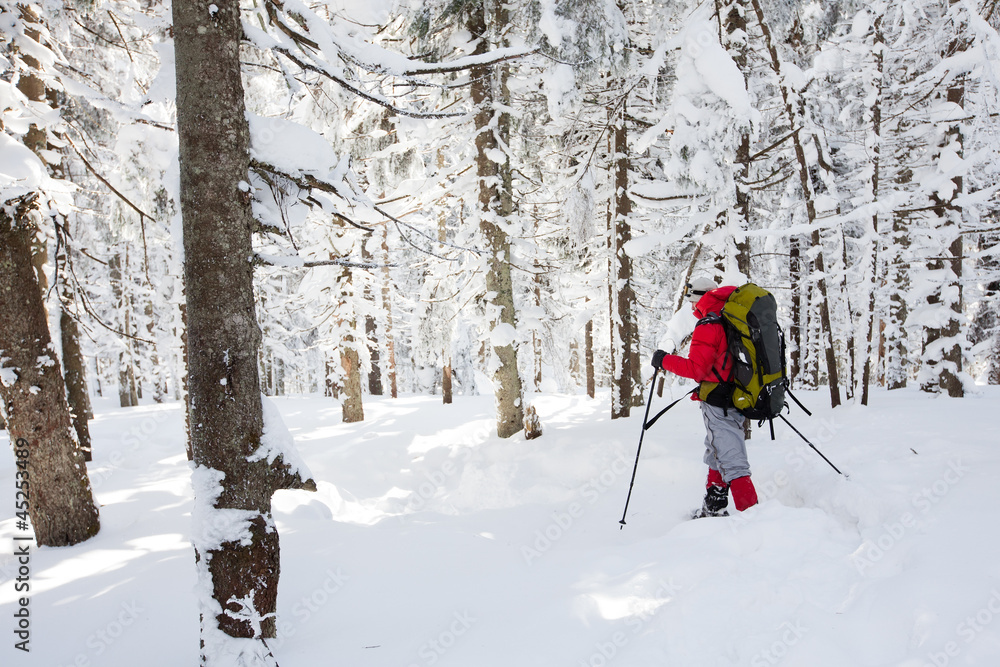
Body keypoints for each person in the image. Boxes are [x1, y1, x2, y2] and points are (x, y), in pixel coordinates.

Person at [651, 277, 758, 518]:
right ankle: (714, 507)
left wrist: (663, 360)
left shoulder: (710, 324)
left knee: (731, 456)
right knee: (717, 450)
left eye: (692, 302)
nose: (691, 308)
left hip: (719, 401)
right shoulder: (733, 317)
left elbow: (696, 369)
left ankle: (753, 517)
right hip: (739, 395)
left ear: (700, 298)